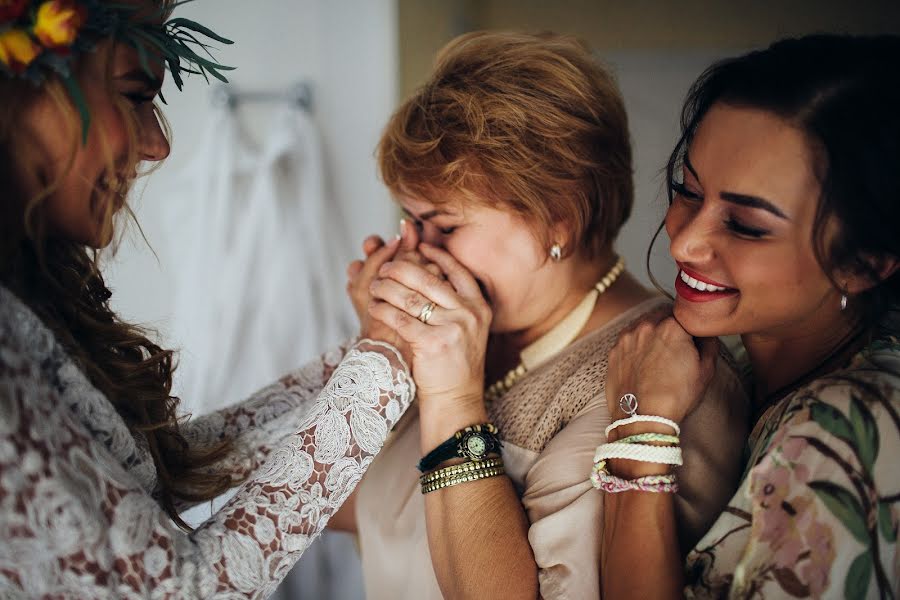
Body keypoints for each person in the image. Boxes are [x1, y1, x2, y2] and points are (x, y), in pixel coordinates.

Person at [0, 1, 414, 597]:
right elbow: (183, 589)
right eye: (137, 95)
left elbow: (169, 465)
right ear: (20, 93)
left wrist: (369, 351)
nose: (158, 145)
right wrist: (382, 365)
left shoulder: (27, 294)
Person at [336, 31, 749, 599]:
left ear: (558, 218)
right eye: (408, 220)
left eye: (445, 225)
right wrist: (377, 359)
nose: (414, 250)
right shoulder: (461, 332)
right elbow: (348, 508)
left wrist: (455, 399)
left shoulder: (660, 377)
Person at [599, 34, 900, 599]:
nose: (685, 242)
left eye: (745, 226)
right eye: (686, 191)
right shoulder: (727, 352)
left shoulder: (848, 431)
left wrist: (638, 432)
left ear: (864, 264)